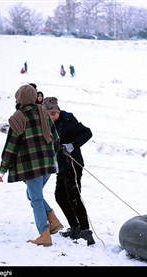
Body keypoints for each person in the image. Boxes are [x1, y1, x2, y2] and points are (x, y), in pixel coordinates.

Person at [0, 84, 64, 247]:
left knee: (36, 199)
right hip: (47, 164)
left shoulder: (18, 117)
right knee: (33, 195)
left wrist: (2, 169)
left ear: (19, 100)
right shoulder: (43, 112)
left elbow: (11, 146)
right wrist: (51, 156)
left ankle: (44, 235)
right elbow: (55, 138)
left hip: (32, 167)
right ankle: (53, 221)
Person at [42, 97, 95, 246]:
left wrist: (73, 145)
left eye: (54, 113)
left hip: (73, 165)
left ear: (58, 111)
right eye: (48, 114)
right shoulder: (46, 124)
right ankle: (75, 227)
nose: (52, 117)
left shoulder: (68, 119)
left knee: (73, 197)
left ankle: (86, 231)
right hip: (60, 166)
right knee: (60, 196)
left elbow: (87, 133)